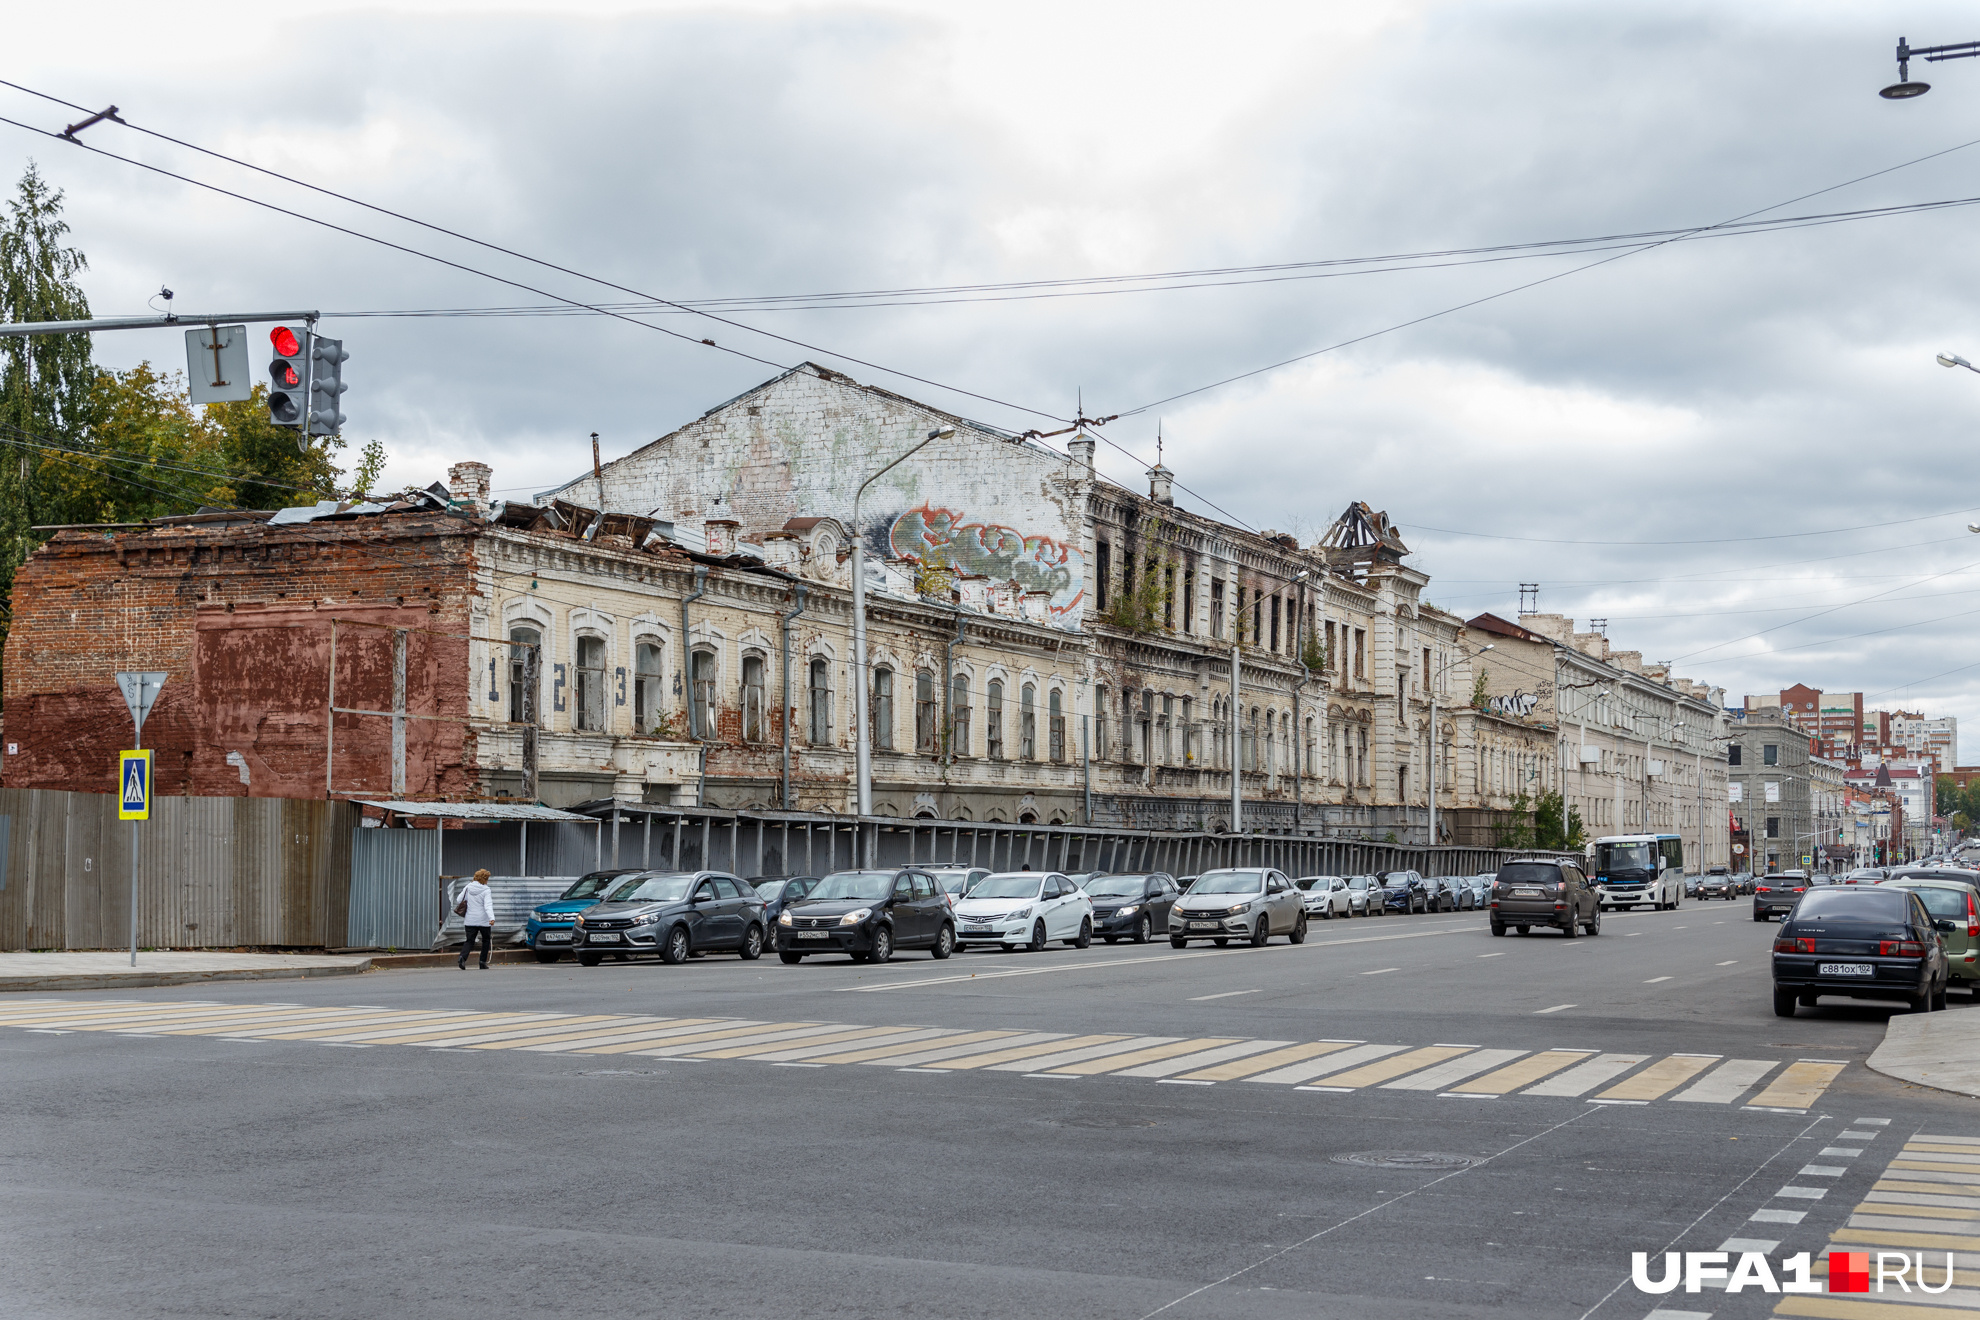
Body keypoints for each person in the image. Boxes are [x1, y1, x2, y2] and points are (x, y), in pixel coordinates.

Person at [458, 869, 495, 970]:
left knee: (469, 941)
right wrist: (491, 918)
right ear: (484, 879)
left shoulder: (468, 887)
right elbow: (488, 905)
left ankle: (462, 957)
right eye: (487, 879)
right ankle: (482, 962)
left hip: (470, 919)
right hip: (483, 920)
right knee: (486, 940)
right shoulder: (486, 890)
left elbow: (458, 899)